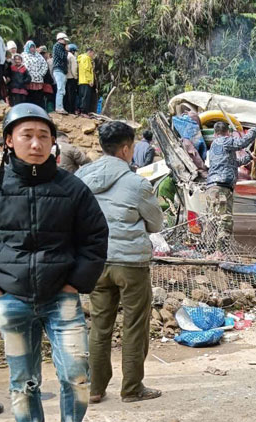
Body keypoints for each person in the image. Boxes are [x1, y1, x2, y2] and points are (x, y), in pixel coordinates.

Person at [0, 104, 109, 422]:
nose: (36, 143)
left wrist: (75, 283)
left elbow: (95, 238)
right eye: (26, 135)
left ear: (53, 142)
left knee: (76, 373)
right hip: (11, 299)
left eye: (44, 136)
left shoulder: (71, 188)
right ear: (9, 141)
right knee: (23, 380)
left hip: (62, 297)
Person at [76, 122, 164, 404]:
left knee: (99, 326)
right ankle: (132, 388)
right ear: (126, 149)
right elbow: (156, 223)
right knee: (134, 325)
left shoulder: (81, 177)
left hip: (96, 262)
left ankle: (95, 388)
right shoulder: (137, 183)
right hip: (130, 264)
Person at [205, 120, 256, 249]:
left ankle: (210, 250)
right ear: (227, 132)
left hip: (213, 186)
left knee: (213, 219)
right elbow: (242, 142)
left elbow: (233, 162)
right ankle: (221, 251)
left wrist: (250, 157)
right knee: (224, 220)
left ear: (215, 133)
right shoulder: (225, 141)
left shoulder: (215, 145)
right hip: (222, 187)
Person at [21, 41, 47, 107]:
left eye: (33, 47)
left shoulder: (38, 56)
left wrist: (41, 74)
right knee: (30, 98)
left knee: (38, 98)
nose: (32, 49)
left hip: (38, 80)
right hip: (29, 80)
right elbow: (23, 66)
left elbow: (44, 65)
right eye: (31, 47)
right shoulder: (23, 55)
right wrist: (29, 74)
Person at [52, 32, 69, 114]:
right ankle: (59, 107)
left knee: (62, 89)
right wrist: (66, 50)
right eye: (64, 40)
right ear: (60, 39)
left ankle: (60, 106)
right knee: (60, 89)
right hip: (58, 70)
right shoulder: (58, 46)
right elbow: (63, 57)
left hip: (61, 70)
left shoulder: (60, 47)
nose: (66, 42)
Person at [77, 48, 95, 115]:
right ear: (89, 52)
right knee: (86, 97)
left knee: (81, 97)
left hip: (81, 80)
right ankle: (84, 112)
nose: (92, 55)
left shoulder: (81, 58)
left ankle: (80, 110)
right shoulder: (87, 58)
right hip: (86, 81)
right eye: (92, 54)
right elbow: (87, 70)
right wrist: (90, 80)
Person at [65, 44, 79, 114]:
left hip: (66, 78)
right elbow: (74, 69)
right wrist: (76, 77)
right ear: (73, 51)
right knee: (72, 95)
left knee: (67, 94)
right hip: (71, 78)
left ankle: (67, 109)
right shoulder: (72, 57)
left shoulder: (66, 56)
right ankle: (72, 110)